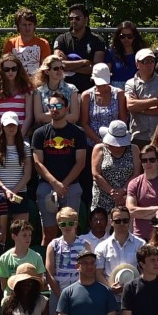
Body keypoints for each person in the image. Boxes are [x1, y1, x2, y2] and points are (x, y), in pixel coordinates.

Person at [33, 91, 90, 242]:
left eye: (58, 105)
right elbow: (38, 163)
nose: (54, 109)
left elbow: (81, 162)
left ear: (67, 108)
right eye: (51, 106)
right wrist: (55, 184)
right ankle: (47, 264)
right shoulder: (39, 133)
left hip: (71, 185)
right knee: (49, 231)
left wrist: (63, 185)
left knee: (71, 229)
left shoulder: (77, 133)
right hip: (47, 185)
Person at [127, 47, 158, 147]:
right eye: (145, 61)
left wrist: (140, 108)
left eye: (152, 61)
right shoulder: (130, 83)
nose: (149, 64)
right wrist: (157, 100)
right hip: (138, 136)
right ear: (137, 64)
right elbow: (131, 105)